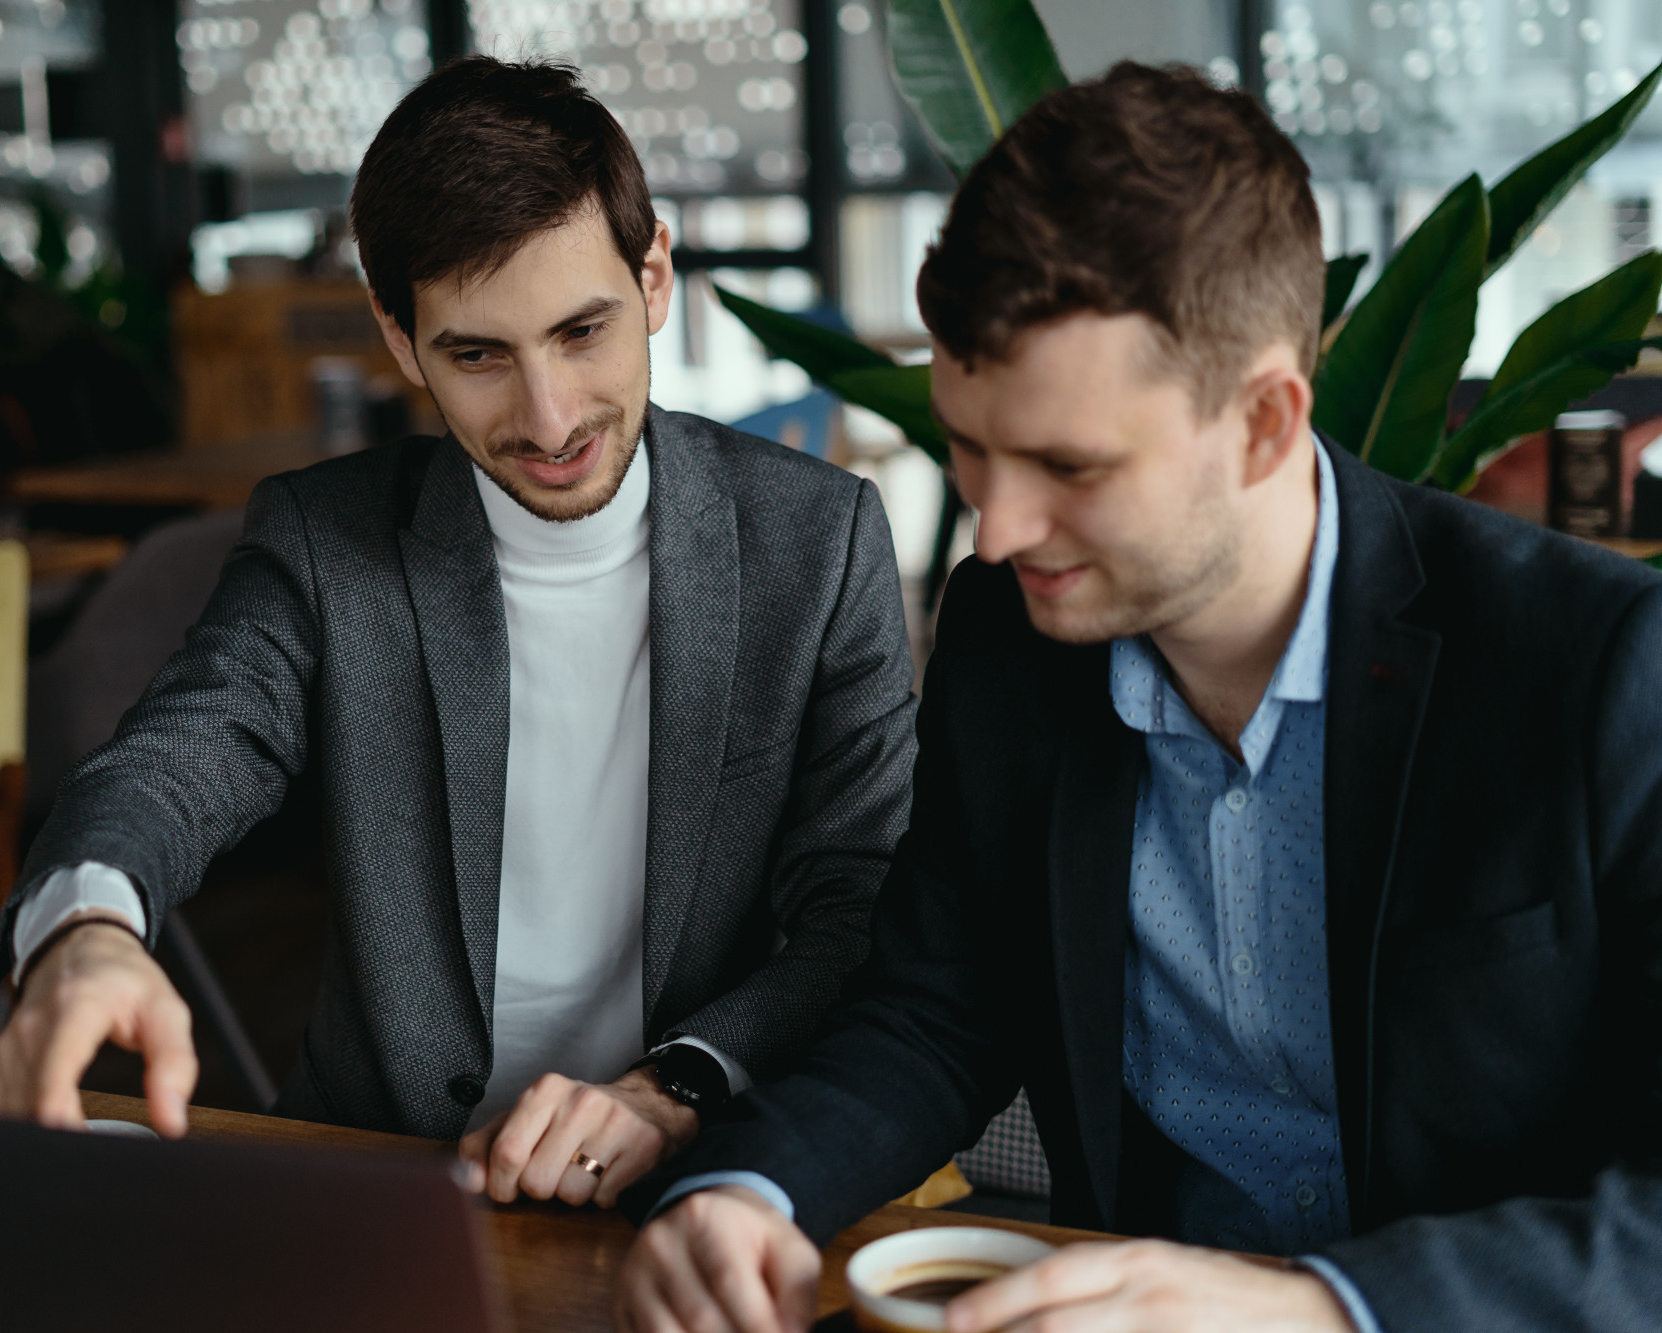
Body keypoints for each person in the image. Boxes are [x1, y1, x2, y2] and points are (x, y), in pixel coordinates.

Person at [614, 61, 1662, 1333]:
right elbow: (937, 1008)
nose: (994, 531)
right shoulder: (1012, 637)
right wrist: (750, 1185)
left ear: (1266, 422)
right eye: (968, 447)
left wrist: (1315, 1311)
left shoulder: (1599, 665)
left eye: (1067, 464)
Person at [0, 57, 918, 1210]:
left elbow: (857, 904)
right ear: (396, 333)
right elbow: (176, 759)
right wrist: (86, 923)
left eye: (582, 331)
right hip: (382, 1180)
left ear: (655, 272)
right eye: (477, 355)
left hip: (697, 1166)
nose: (550, 417)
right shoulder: (326, 544)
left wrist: (672, 1087)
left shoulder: (817, 544)